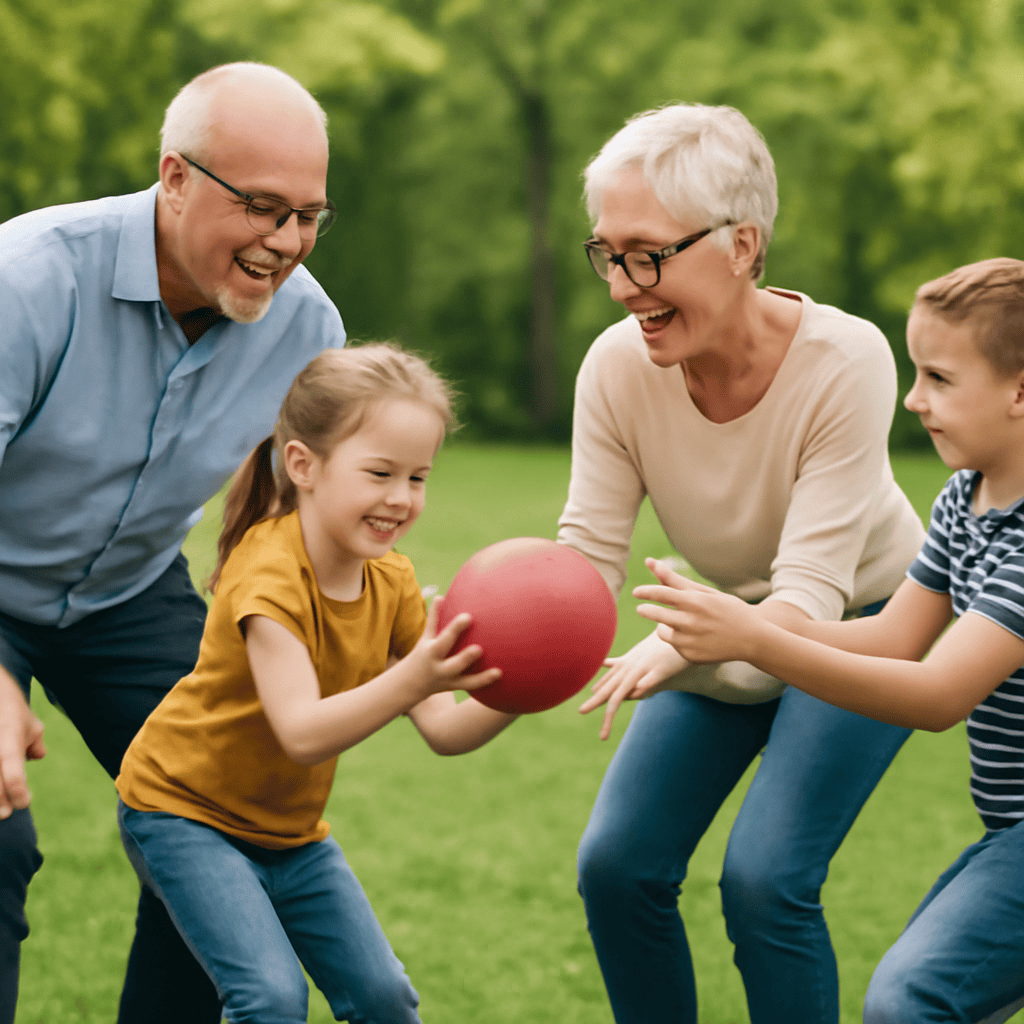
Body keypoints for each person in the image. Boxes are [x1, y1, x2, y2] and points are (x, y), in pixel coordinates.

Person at [558, 103, 926, 1024]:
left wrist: (682, 648)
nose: (622, 287)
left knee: (764, 880)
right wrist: (493, 651)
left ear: (741, 244)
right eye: (607, 253)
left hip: (864, 628)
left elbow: (808, 598)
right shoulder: (614, 367)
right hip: (719, 622)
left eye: (647, 254)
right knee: (617, 866)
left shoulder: (847, 360)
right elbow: (585, 558)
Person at [0, 62, 344, 1023]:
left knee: (226, 832)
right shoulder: (27, 278)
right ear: (176, 177)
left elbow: (286, 526)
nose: (285, 243)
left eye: (309, 214)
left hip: (128, 591)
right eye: (263, 206)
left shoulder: (312, 327)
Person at [634, 257, 1024, 1024]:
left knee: (911, 1000)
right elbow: (892, 635)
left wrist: (753, 636)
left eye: (940, 379)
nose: (913, 400)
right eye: (915, 373)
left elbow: (940, 694)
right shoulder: (963, 497)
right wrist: (730, 633)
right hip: (1009, 828)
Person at [114, 343, 517, 1024]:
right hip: (182, 814)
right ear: (304, 465)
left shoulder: (389, 583)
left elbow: (446, 730)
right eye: (380, 473)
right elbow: (301, 732)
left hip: (291, 835)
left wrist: (522, 686)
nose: (400, 498)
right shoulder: (268, 574)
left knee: (384, 998)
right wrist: (414, 674)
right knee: (269, 998)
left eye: (418, 478)